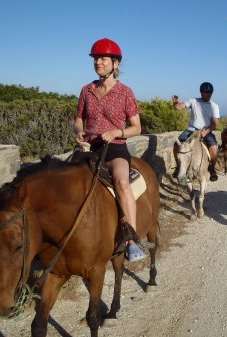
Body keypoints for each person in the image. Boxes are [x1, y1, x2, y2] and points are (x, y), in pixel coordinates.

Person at [74, 38, 145, 262]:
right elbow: (79, 118)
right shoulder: (86, 90)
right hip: (89, 147)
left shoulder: (125, 92)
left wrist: (116, 133)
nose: (98, 62)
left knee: (122, 183)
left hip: (115, 148)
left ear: (115, 64)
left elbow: (137, 128)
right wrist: (78, 130)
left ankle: (132, 240)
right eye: (96, 58)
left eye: (103, 58)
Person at [172, 82, 220, 182]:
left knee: (214, 149)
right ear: (201, 92)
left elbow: (215, 123)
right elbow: (181, 106)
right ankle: (179, 167)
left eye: (210, 92)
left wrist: (206, 132)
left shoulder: (214, 106)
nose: (208, 94)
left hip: (206, 130)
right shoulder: (193, 101)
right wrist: (176, 103)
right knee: (177, 145)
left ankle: (212, 168)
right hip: (191, 129)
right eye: (206, 92)